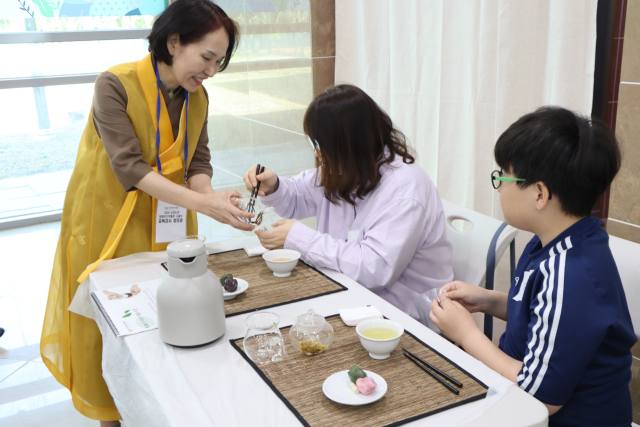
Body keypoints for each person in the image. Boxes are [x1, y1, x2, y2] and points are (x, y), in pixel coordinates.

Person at [40, 2, 253, 426]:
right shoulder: (114, 85)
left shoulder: (197, 97)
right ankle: (109, 415)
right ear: (173, 42)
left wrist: (213, 197)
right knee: (110, 317)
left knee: (169, 313)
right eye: (206, 58)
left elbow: (197, 162)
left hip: (170, 218)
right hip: (108, 217)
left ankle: (164, 407)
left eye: (218, 62)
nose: (211, 71)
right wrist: (203, 203)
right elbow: (130, 168)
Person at [429, 107, 636, 426]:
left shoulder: (573, 274)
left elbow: (541, 396)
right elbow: (544, 318)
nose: (498, 186)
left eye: (503, 176)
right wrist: (488, 300)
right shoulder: (557, 239)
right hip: (515, 398)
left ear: (539, 193)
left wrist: (467, 335)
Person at [243, 84, 453, 319]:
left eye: (321, 146)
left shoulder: (405, 189)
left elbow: (373, 268)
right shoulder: (348, 167)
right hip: (351, 297)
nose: (317, 154)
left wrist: (298, 238)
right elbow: (299, 195)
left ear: (350, 145)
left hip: (403, 316)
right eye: (315, 145)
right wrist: (275, 185)